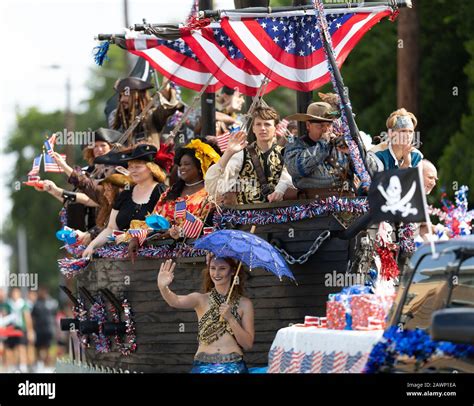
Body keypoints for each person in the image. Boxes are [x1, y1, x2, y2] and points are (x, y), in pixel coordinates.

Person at [157, 257, 254, 373]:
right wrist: (163, 288)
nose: (216, 273)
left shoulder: (245, 304)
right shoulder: (200, 299)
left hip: (233, 366)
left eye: (222, 268)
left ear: (233, 271)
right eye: (213, 268)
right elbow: (175, 301)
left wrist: (231, 319)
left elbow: (248, 344)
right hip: (203, 366)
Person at [82, 144, 166, 257]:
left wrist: (130, 236)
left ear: (152, 169)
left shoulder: (161, 191)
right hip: (122, 257)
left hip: (154, 255)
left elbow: (163, 226)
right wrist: (92, 245)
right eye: (131, 167)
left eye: (138, 167)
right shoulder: (126, 193)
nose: (133, 171)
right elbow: (111, 228)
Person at [205, 106, 293, 204]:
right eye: (258, 124)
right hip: (248, 216)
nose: (262, 128)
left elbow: (289, 178)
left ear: (275, 128)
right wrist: (228, 152)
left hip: (280, 215)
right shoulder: (241, 154)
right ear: (254, 128)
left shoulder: (286, 153)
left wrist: (280, 190)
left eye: (267, 124)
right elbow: (214, 186)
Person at [284, 102, 355, 199]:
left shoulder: (342, 143)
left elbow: (369, 171)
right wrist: (323, 143)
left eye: (329, 125)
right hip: (312, 208)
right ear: (308, 125)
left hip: (346, 204)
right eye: (320, 126)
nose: (326, 130)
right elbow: (296, 169)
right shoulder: (295, 145)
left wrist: (353, 151)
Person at [110, 77, 183, 147]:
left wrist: (167, 93)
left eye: (126, 95)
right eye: (121, 96)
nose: (122, 99)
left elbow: (166, 109)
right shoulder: (116, 117)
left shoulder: (152, 114)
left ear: (138, 96)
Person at [4, 288, 34, 372]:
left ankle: (22, 367)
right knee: (10, 348)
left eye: (16, 293)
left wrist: (30, 330)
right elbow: (5, 316)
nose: (15, 295)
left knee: (21, 347)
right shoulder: (8, 304)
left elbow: (27, 318)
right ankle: (12, 367)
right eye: (13, 293)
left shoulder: (23, 304)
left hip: (21, 329)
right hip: (10, 329)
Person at [31, 287, 57, 370]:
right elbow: (33, 318)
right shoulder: (36, 304)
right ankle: (39, 365)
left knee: (48, 348)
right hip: (38, 330)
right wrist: (32, 330)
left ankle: (47, 366)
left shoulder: (52, 302)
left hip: (49, 330)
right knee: (38, 348)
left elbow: (55, 316)